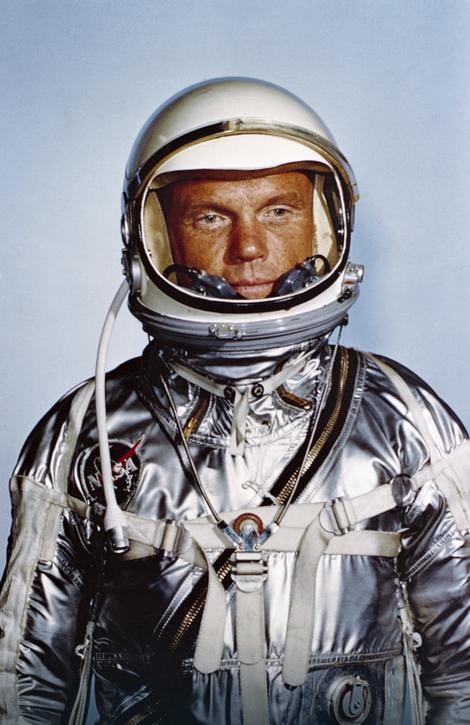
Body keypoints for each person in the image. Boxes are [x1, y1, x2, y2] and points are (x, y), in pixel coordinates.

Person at [1, 77, 469, 725]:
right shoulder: (88, 433)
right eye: (211, 216)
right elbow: (23, 681)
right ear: (154, 239)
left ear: (323, 225)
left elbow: (464, 672)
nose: (248, 248)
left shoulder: (404, 420)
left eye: (278, 211)